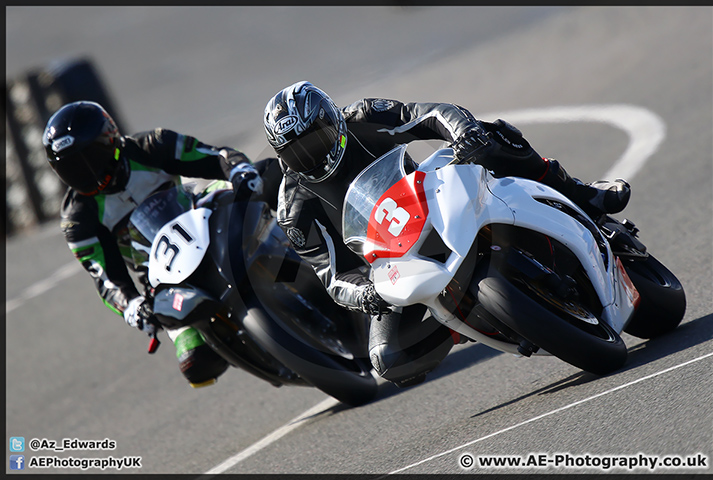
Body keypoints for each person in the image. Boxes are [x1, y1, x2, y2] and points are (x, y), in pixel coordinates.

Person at [263, 81, 631, 388]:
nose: (312, 156)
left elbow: (430, 114)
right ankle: (462, 321)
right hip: (393, 261)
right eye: (297, 153)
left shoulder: (363, 116)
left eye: (317, 140)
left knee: (494, 135)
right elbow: (332, 276)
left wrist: (464, 133)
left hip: (432, 197)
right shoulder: (293, 209)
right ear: (282, 156)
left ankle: (584, 194)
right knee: (389, 360)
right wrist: (367, 293)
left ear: (333, 120)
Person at [43, 100, 276, 388]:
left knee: (268, 174)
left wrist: (240, 171)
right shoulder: (77, 219)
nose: (86, 171)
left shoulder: (152, 144)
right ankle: (262, 347)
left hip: (202, 219)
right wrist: (132, 306)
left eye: (91, 157)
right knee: (197, 364)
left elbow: (216, 157)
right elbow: (106, 278)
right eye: (72, 168)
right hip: (163, 278)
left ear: (110, 138)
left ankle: (312, 252)